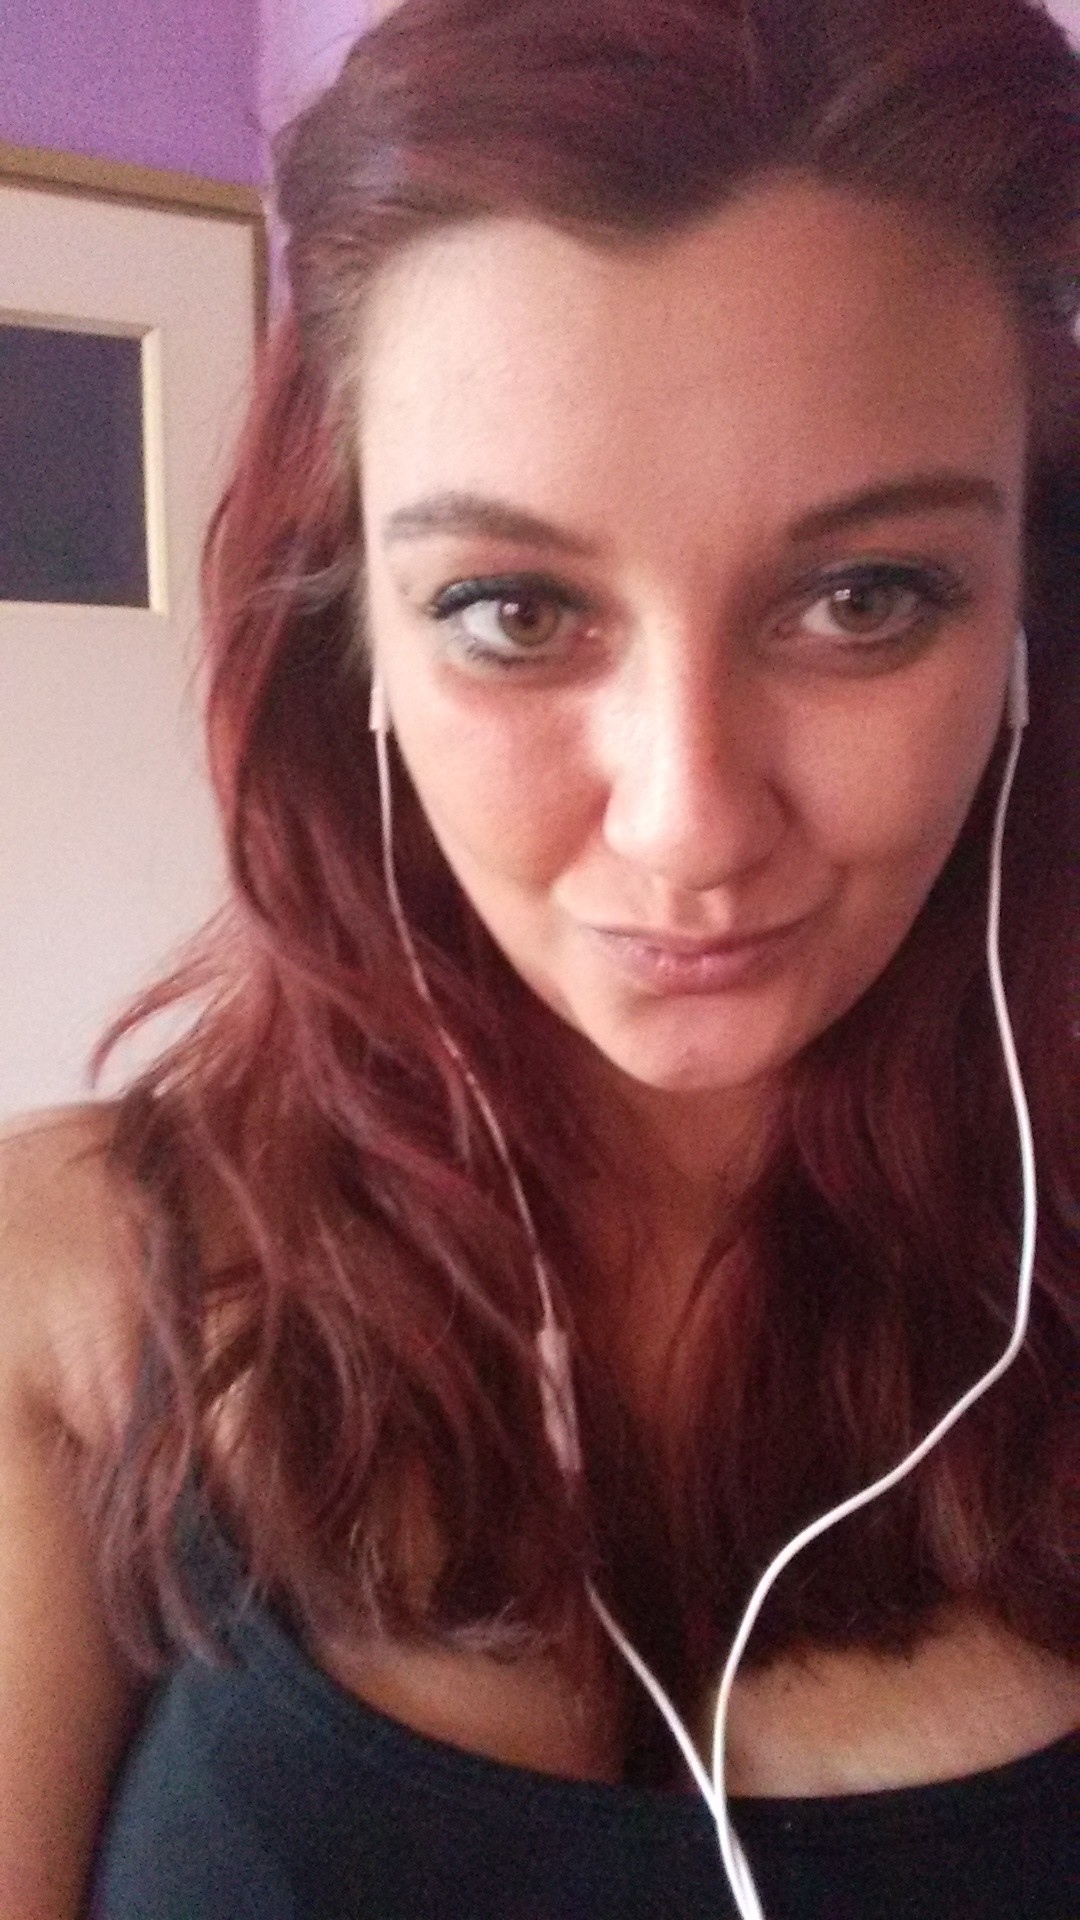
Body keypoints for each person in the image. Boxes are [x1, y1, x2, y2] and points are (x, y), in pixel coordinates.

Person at [1, 0, 1077, 1914]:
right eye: (512, 609)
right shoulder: (68, 1289)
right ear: (356, 642)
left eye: (864, 597)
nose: (689, 825)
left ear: (1026, 625)